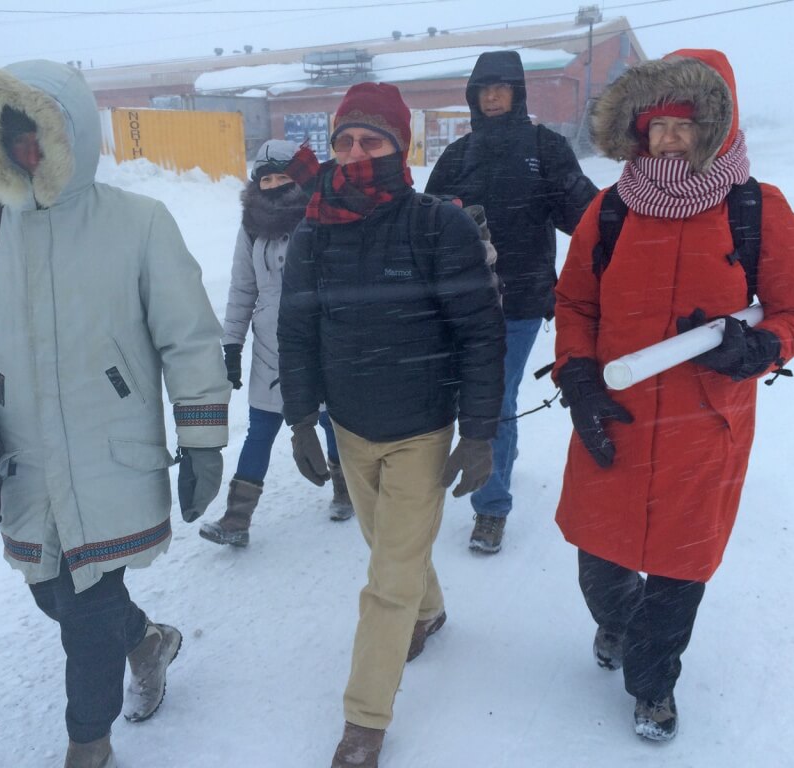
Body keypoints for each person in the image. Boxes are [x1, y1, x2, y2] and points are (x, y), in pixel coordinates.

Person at [0, 61, 231, 768]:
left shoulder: (139, 222)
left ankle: (88, 746)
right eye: (13, 133)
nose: (27, 147)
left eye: (41, 131)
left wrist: (203, 439)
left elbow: (188, 336)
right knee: (50, 594)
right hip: (25, 464)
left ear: (73, 133)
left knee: (86, 615)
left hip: (110, 457)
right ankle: (148, 640)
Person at [552, 49, 794, 742]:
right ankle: (618, 622)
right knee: (599, 556)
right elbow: (576, 303)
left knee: (680, 565)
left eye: (687, 123)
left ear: (718, 128)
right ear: (637, 131)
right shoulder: (610, 210)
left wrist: (765, 346)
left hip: (705, 426)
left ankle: (652, 686)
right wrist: (577, 375)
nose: (669, 136)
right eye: (657, 124)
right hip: (614, 412)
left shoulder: (756, 208)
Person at [278, 82, 505, 767]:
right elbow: (296, 332)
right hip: (350, 426)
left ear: (398, 146)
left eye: (370, 141)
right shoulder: (313, 231)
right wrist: (298, 419)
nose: (354, 153)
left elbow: (480, 334)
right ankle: (428, 613)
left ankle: (365, 720)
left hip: (422, 428)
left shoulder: (439, 225)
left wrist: (479, 431)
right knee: (391, 551)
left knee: (387, 579)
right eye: (344, 141)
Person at [425, 50, 598, 554]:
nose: (493, 97)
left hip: (521, 299)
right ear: (473, 96)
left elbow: (587, 218)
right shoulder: (456, 156)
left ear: (518, 93)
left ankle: (491, 507)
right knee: (471, 397)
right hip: (459, 302)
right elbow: (426, 224)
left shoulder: (545, 148)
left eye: (503, 88)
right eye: (484, 89)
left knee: (494, 399)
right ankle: (489, 470)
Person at [199, 140, 352, 548]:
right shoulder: (251, 226)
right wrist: (231, 345)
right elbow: (242, 289)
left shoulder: (321, 219)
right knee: (261, 428)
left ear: (299, 178)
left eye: (282, 176)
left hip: (316, 342)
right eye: (265, 178)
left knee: (328, 421)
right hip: (269, 349)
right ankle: (237, 518)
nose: (273, 185)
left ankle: (345, 489)